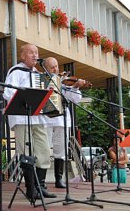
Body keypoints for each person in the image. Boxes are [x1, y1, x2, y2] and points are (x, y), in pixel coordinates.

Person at [3, 44, 56, 198]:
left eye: (36, 52)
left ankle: (40, 186)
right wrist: (26, 97)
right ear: (23, 56)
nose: (35, 55)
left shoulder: (39, 74)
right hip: (22, 118)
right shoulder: (16, 71)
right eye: (31, 53)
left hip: (38, 118)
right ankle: (30, 189)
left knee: (44, 151)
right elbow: (8, 92)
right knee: (26, 154)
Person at [44, 57, 83, 188]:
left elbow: (76, 99)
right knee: (43, 150)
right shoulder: (41, 81)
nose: (55, 69)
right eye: (52, 67)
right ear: (45, 68)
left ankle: (58, 179)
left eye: (56, 66)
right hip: (46, 120)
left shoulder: (64, 83)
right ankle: (41, 180)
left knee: (60, 151)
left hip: (61, 120)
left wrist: (76, 87)